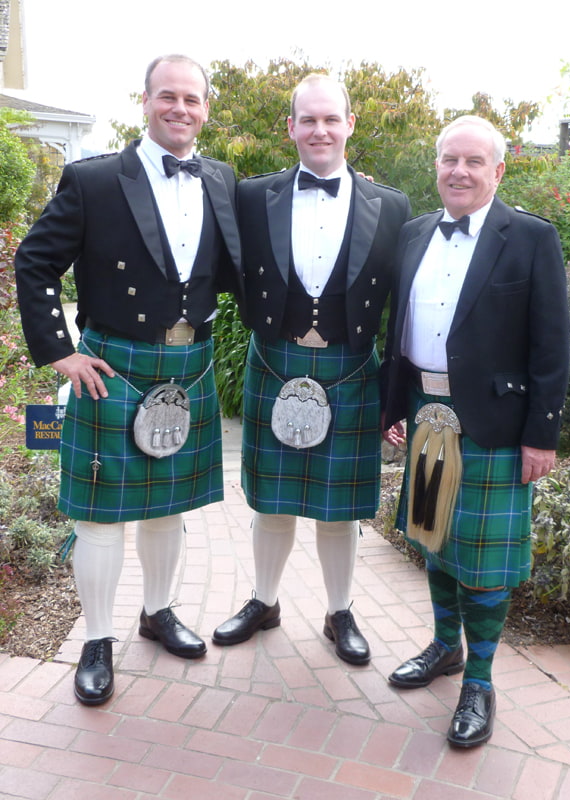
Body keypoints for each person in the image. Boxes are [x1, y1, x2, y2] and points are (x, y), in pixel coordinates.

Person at [15, 54, 243, 705]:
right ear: (145, 101)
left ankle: (159, 611)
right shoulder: (94, 180)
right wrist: (60, 352)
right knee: (99, 519)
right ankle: (96, 639)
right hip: (113, 368)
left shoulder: (221, 179)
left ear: (205, 107)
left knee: (168, 508)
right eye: (167, 96)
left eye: (192, 99)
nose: (181, 109)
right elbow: (33, 264)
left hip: (187, 366)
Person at [381, 115, 570, 746]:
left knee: (484, 564)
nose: (458, 172)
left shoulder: (531, 238)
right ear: (436, 165)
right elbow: (398, 333)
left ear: (498, 169)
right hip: (427, 414)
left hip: (493, 425)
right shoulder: (412, 234)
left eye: (472, 162)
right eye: (448, 160)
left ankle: (481, 681)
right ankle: (444, 648)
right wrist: (393, 409)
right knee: (435, 540)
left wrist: (541, 435)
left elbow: (551, 345)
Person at [212, 74, 410, 665]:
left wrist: (394, 396)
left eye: (331, 119)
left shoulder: (392, 205)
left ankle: (339, 610)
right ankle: (264, 601)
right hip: (276, 360)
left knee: (340, 505)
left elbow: (401, 310)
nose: (320, 129)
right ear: (290, 127)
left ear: (350, 124)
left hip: (351, 366)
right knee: (271, 500)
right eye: (308, 119)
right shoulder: (253, 195)